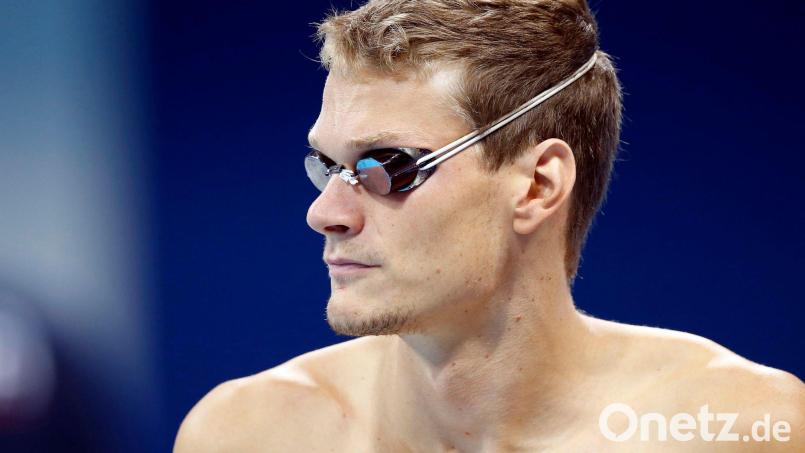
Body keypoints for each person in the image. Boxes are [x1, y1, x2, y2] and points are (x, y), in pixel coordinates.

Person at [174, 0, 804, 451]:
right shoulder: (249, 433)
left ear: (538, 186)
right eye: (328, 165)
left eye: (387, 167)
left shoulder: (742, 430)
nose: (326, 214)